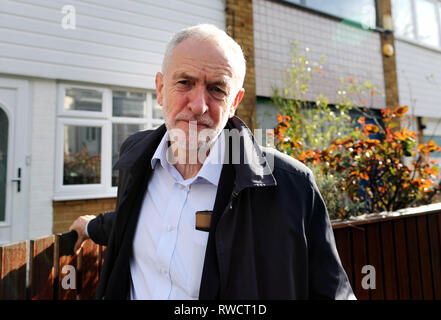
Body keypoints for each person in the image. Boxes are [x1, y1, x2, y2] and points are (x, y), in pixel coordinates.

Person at [69, 24, 355, 300]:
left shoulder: (291, 185)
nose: (199, 105)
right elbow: (134, 218)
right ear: (160, 88)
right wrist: (91, 227)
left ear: (234, 102)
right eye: (184, 82)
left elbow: (333, 293)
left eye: (217, 89)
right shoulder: (137, 154)